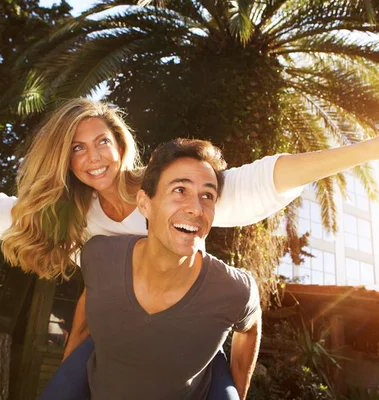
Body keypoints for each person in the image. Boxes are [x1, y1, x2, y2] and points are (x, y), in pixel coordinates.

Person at [0, 81, 379, 395]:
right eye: (78, 148)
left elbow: (266, 177)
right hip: (116, 338)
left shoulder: (168, 189)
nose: (93, 157)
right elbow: (0, 209)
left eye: (102, 142)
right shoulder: (75, 214)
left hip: (188, 344)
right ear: (66, 159)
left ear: (121, 145)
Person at [72, 138, 261, 399]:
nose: (196, 209)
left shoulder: (234, 289)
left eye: (207, 196)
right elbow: (90, 297)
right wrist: (66, 378)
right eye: (180, 190)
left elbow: (250, 326)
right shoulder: (99, 255)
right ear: (145, 204)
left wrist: (236, 392)